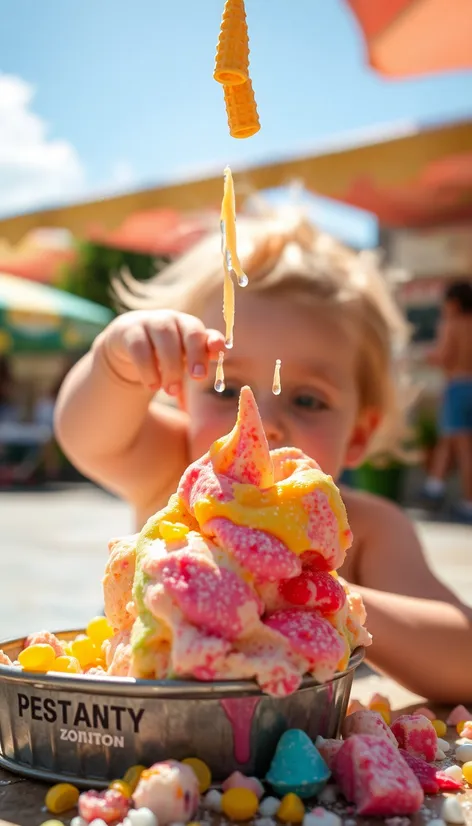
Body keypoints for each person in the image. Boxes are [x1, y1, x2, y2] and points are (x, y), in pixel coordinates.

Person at [55, 218, 472, 703]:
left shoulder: (369, 531)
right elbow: (84, 437)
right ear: (185, 402)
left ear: (358, 434)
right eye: (227, 388)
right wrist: (115, 363)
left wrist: (326, 598)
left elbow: (463, 657)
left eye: (308, 400)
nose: (262, 425)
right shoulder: (172, 477)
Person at [424, 280, 472, 521]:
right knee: (450, 440)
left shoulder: (450, 324)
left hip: (457, 386)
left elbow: (443, 355)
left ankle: (468, 501)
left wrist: (426, 356)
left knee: (463, 448)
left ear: (453, 302)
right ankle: (434, 487)